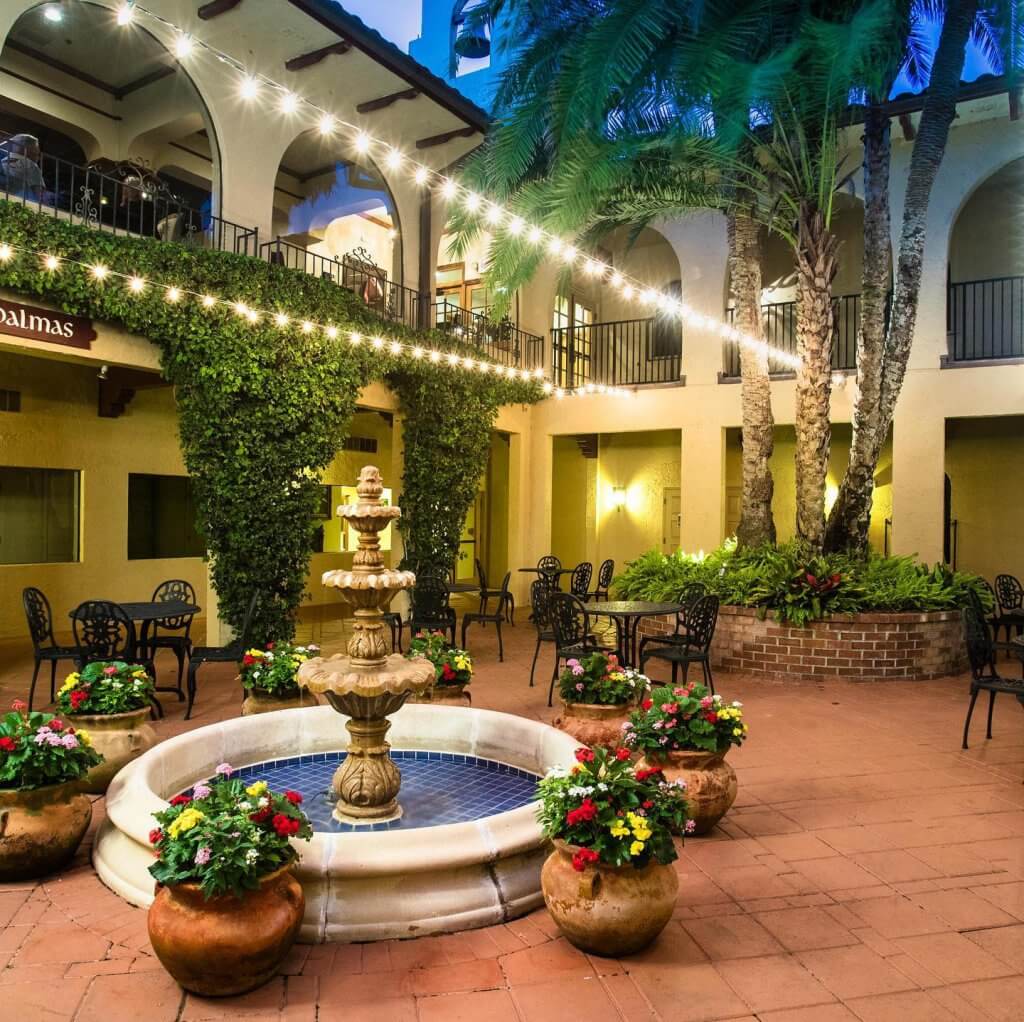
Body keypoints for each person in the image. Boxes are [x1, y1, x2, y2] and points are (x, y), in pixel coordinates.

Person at [0, 134, 45, 201]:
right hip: (20, 202)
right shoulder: (31, 165)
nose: (38, 151)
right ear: (30, 148)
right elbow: (38, 192)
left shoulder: (3, 161)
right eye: (37, 147)